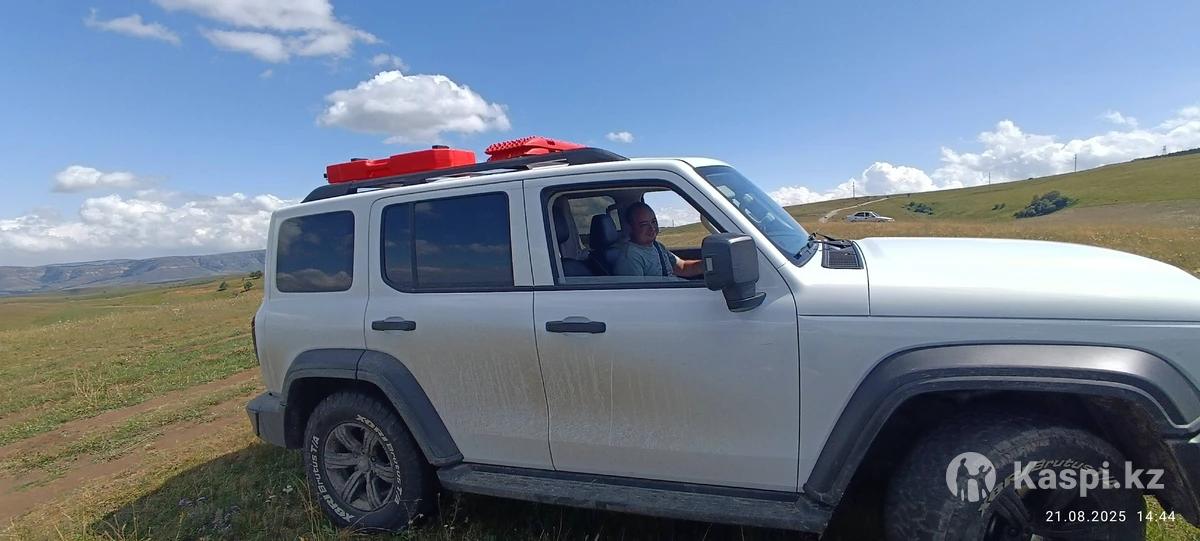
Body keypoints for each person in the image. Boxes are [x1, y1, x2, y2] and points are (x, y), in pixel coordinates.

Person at [611, 201, 705, 278]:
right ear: (631, 228)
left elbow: (683, 267)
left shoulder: (657, 246)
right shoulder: (630, 257)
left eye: (654, 222)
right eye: (644, 225)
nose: (652, 228)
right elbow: (637, 293)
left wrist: (708, 265)